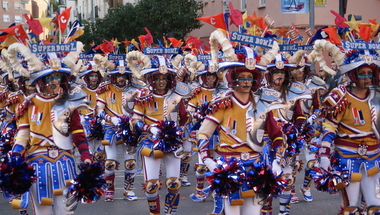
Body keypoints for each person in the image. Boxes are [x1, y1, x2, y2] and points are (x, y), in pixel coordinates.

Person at [196, 29, 284, 215]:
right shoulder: (222, 103)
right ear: (232, 79)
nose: (246, 82)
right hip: (229, 166)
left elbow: (277, 135)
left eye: (250, 78)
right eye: (242, 78)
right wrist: (208, 161)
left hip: (256, 167)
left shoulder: (263, 104)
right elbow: (203, 133)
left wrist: (278, 160)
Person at [8, 42, 92, 215]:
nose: (54, 81)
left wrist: (85, 154)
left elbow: (77, 131)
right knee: (43, 210)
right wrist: (15, 155)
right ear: (40, 80)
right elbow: (23, 134)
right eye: (49, 77)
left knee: (66, 210)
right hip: (37, 164)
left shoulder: (69, 102)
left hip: (64, 162)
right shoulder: (28, 104)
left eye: (57, 77)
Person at [314, 40, 380, 214]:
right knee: (351, 207)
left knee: (375, 206)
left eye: (369, 73)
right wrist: (325, 154)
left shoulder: (377, 96)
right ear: (352, 75)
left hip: (374, 158)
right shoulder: (340, 96)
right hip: (348, 159)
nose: (367, 78)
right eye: (362, 74)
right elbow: (329, 126)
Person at [130, 54, 190, 215]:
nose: (161, 81)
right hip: (150, 141)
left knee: (174, 184)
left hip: (172, 142)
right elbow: (134, 120)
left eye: (164, 77)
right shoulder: (142, 96)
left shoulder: (177, 97)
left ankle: (170, 212)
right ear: (151, 79)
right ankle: (155, 213)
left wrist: (178, 131)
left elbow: (184, 118)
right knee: (151, 186)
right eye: (157, 77)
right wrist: (149, 129)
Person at [95, 55, 141, 202]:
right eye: (118, 76)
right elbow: (99, 111)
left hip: (129, 128)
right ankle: (109, 190)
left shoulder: (135, 90)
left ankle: (128, 190)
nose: (121, 78)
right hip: (110, 128)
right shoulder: (104, 90)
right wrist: (111, 118)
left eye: (124, 76)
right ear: (113, 77)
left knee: (130, 161)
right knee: (110, 162)